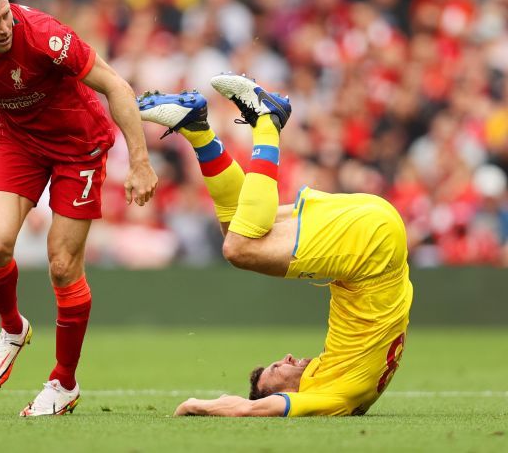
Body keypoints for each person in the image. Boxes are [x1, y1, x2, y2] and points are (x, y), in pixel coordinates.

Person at [0, 0, 157, 416]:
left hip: (79, 145)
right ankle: (13, 328)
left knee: (61, 265)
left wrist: (139, 161)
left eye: (5, 15)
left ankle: (64, 383)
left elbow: (115, 84)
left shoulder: (43, 37)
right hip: (18, 142)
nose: (4, 27)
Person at [137, 73, 413, 417]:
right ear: (288, 397)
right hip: (371, 248)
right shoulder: (336, 396)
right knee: (238, 250)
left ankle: (197, 129)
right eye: (277, 372)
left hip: (373, 233)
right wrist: (197, 404)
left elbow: (267, 401)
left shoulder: (330, 376)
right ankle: (267, 120)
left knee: (238, 229)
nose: (285, 359)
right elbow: (254, 409)